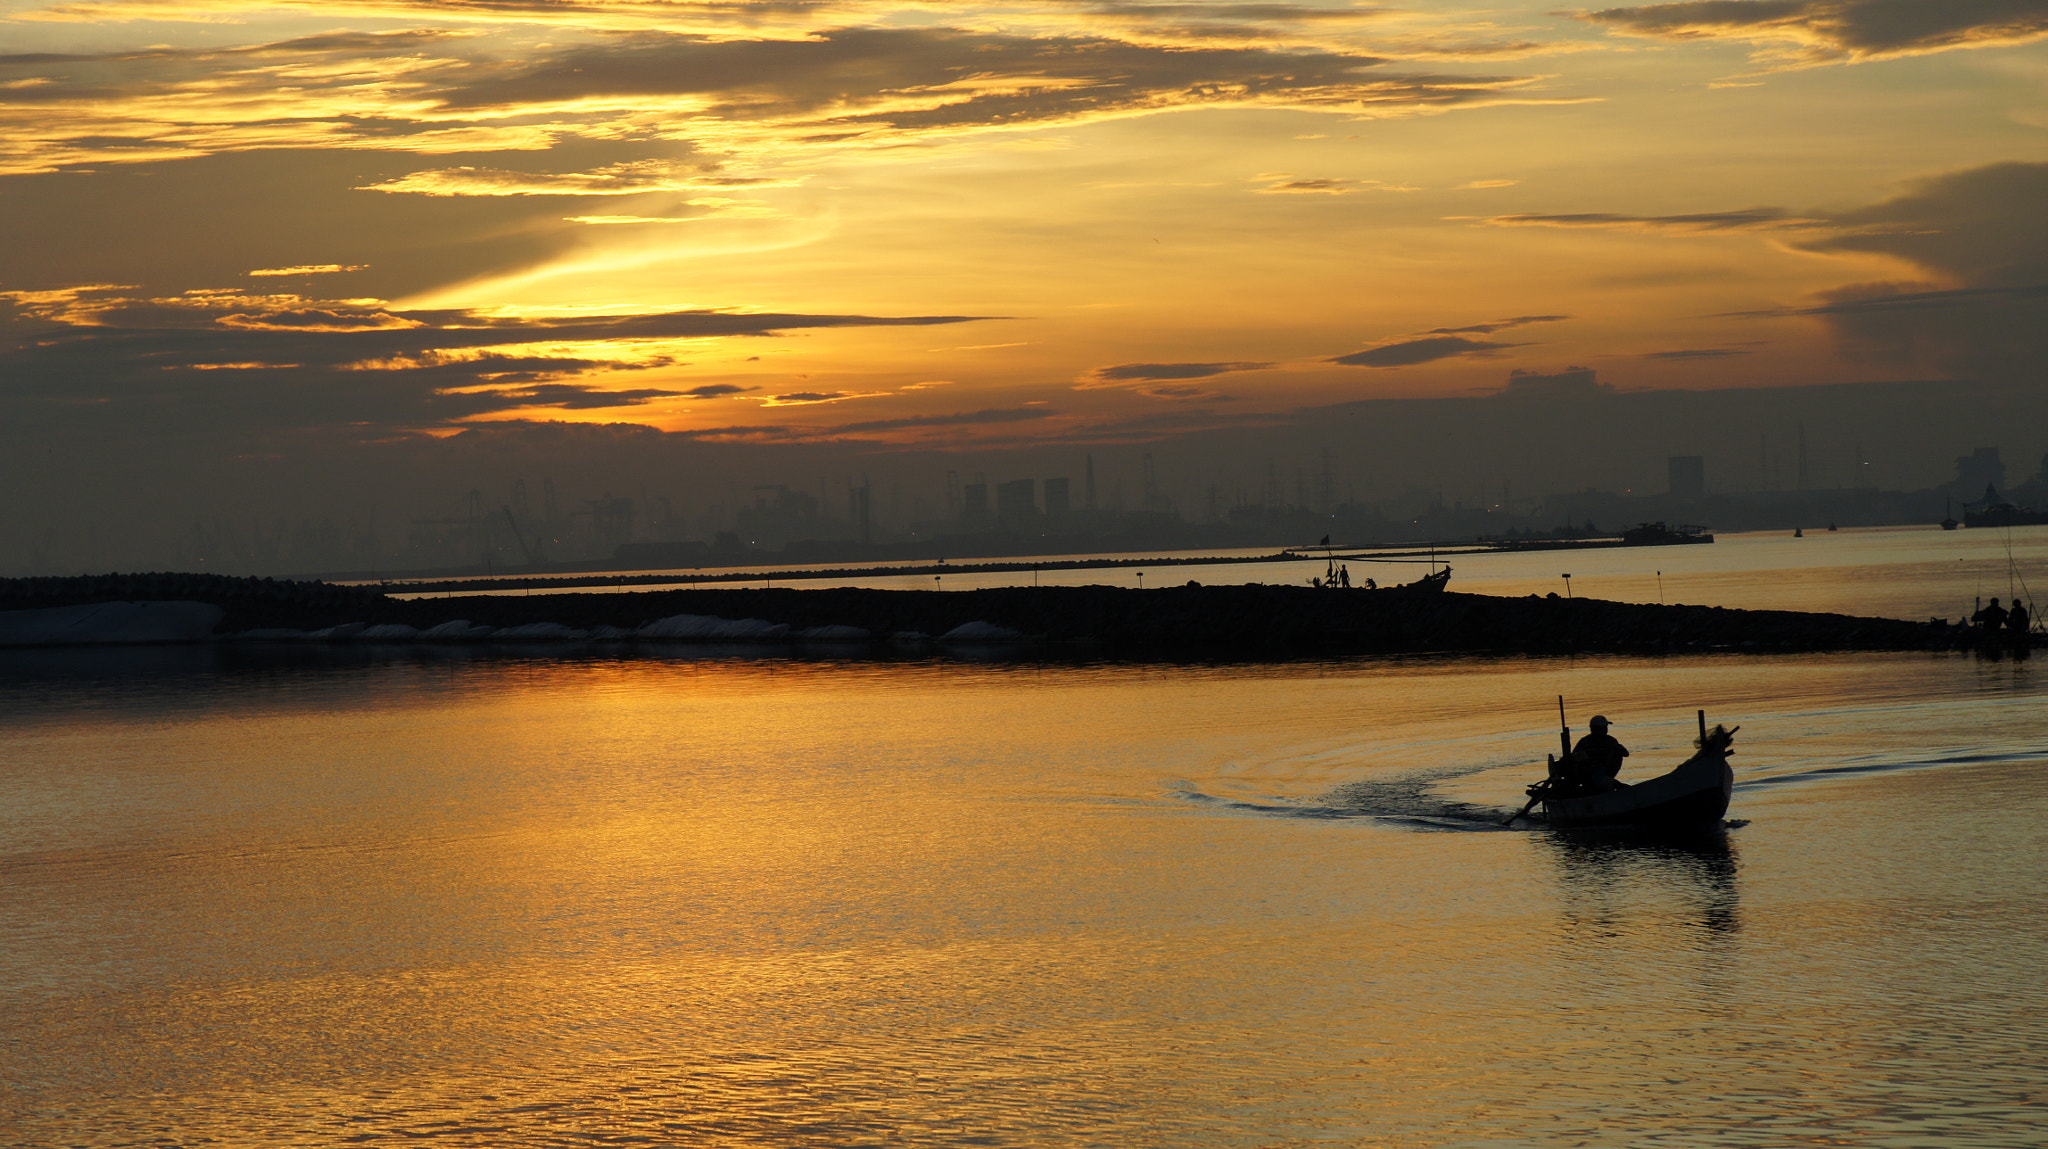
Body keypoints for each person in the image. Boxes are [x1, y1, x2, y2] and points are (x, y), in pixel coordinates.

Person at [1570, 715, 1630, 792]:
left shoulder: (1609, 741)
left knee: (1617, 754)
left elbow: (1625, 753)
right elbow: (1573, 758)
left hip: (1602, 772)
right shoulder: (1586, 742)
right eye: (1604, 728)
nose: (1606, 729)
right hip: (1589, 775)